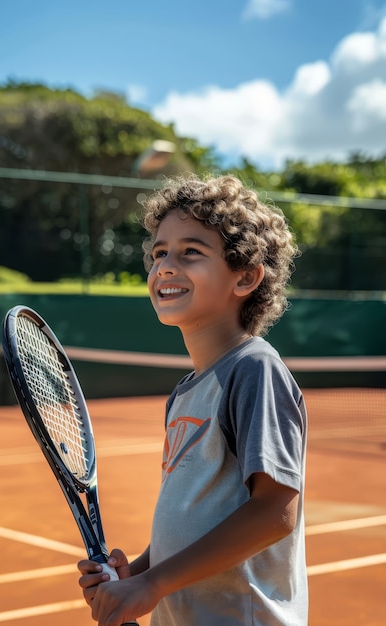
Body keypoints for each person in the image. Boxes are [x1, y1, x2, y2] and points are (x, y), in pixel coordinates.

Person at [78, 173, 308, 626]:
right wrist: (137, 572)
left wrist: (152, 584)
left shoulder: (253, 368)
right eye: (159, 252)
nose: (165, 265)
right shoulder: (185, 392)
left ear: (245, 277)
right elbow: (193, 520)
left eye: (191, 253)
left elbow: (275, 512)